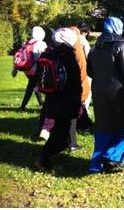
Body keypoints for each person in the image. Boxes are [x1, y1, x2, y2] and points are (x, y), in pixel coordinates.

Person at [87, 16, 124, 173]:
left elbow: (89, 70)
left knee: (103, 126)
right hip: (119, 93)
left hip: (98, 91)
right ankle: (112, 157)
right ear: (118, 27)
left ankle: (95, 165)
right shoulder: (121, 45)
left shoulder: (95, 46)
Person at [35, 28, 82, 170]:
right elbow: (75, 81)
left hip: (53, 97)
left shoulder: (49, 53)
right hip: (67, 99)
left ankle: (50, 154)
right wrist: (77, 99)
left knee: (60, 129)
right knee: (62, 132)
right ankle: (43, 158)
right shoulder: (68, 55)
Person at [14, 26, 47, 111]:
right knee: (32, 86)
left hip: (27, 70)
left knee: (34, 85)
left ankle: (40, 103)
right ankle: (23, 107)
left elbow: (17, 55)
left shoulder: (27, 43)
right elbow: (39, 58)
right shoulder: (41, 43)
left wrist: (14, 69)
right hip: (36, 69)